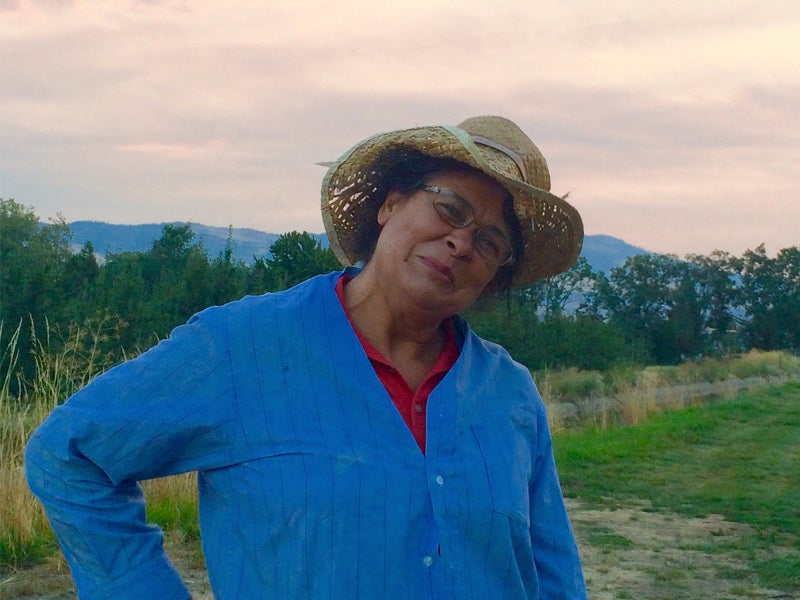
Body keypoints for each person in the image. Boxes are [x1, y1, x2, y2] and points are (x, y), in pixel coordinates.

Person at [25, 115, 588, 599]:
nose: (462, 242)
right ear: (390, 205)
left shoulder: (510, 393)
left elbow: (553, 573)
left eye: (490, 242)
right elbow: (70, 456)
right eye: (450, 209)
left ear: (494, 276)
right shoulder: (241, 346)